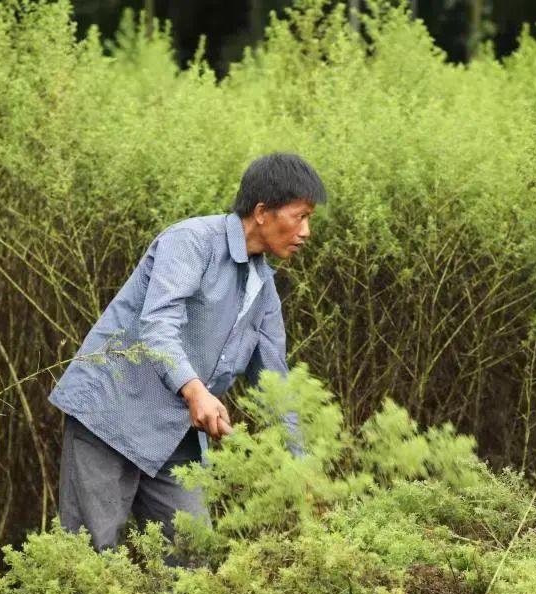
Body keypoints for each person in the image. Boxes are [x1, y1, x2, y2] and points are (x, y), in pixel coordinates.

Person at [49, 152, 327, 557]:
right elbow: (157, 325)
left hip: (173, 437)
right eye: (300, 216)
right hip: (110, 415)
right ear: (263, 212)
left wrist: (299, 464)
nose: (306, 231)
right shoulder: (192, 241)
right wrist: (196, 391)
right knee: (89, 561)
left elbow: (274, 379)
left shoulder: (263, 284)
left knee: (193, 560)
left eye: (309, 219)